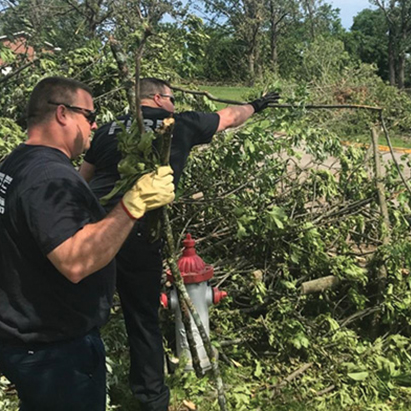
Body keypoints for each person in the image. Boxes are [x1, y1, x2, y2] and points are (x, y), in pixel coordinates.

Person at [80, 78, 279, 410]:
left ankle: (82, 392)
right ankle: (152, 399)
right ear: (158, 98)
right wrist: (257, 105)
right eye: (171, 99)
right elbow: (230, 116)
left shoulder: (109, 129)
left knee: (87, 312)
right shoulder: (180, 123)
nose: (174, 104)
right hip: (139, 231)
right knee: (141, 316)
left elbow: (81, 181)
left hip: (94, 229)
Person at [0, 76, 176, 411]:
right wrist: (134, 204)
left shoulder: (16, 162)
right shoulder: (49, 178)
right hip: (54, 351)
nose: (95, 125)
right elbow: (75, 261)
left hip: (26, 340)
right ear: (62, 114)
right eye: (89, 115)